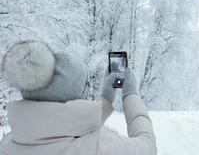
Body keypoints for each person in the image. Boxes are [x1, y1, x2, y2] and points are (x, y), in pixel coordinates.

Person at [0, 41, 157, 155]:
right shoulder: (100, 147)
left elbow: (62, 124)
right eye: (85, 85)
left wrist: (106, 98)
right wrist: (130, 94)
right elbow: (148, 147)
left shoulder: (8, 143)